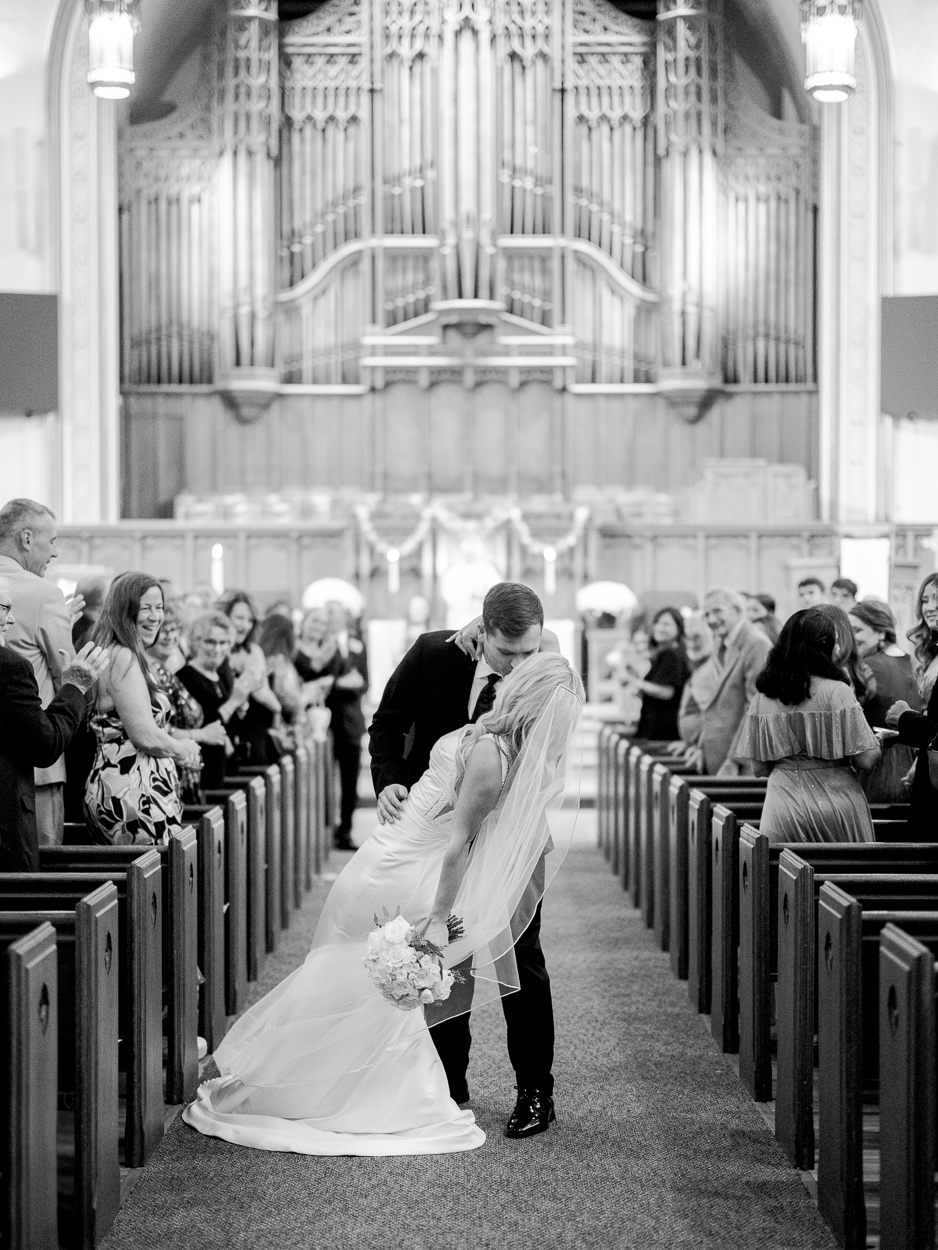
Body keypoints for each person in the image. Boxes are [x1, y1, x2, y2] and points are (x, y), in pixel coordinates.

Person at [183, 651, 583, 1156]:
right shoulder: (487, 735)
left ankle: (517, 1091)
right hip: (405, 860)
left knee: (382, 975)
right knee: (363, 969)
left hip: (419, 858)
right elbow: (452, 828)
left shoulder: (498, 739)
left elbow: (475, 830)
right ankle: (390, 1086)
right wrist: (439, 915)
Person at [369, 582, 561, 1137]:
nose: (521, 663)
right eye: (509, 653)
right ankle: (448, 1086)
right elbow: (387, 721)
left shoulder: (547, 672)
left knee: (521, 960)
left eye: (531, 650)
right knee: (442, 951)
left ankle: (535, 1093)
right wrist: (390, 782)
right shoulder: (435, 654)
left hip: (515, 836)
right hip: (438, 835)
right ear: (482, 632)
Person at [736, 609, 880, 843]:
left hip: (781, 806)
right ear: (825, 647)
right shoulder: (837, 692)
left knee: (779, 876)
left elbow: (759, 768)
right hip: (835, 803)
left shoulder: (763, 697)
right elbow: (867, 759)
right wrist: (879, 742)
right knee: (842, 876)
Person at [0, 578, 109, 870]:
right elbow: (45, 745)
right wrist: (74, 687)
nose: (10, 620)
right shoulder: (9, 667)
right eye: (5, 608)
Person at [85, 574, 201, 846]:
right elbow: (143, 734)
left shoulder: (124, 653)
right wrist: (184, 748)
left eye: (159, 607)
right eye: (145, 608)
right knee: (157, 882)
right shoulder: (122, 656)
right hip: (133, 791)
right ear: (124, 610)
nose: (155, 616)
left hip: (138, 786)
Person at [0, 497, 75, 846]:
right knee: (36, 872)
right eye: (53, 541)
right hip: (36, 765)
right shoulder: (45, 595)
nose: (55, 553)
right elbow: (69, 677)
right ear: (27, 539)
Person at [149, 608, 231, 804]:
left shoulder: (166, 673)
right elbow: (156, 730)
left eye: (175, 629)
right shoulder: (153, 674)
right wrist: (200, 735)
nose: (170, 636)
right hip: (166, 772)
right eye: (163, 630)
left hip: (192, 770)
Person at [848, 599, 921, 803]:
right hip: (914, 768)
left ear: (881, 632)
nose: (852, 639)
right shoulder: (916, 663)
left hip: (877, 768)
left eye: (858, 630)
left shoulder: (866, 667)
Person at [695, 588, 771, 775]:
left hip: (739, 764)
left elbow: (755, 707)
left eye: (717, 611)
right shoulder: (721, 640)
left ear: (737, 610)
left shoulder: (756, 643)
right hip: (716, 754)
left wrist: (734, 760)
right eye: (706, 614)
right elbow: (716, 702)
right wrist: (701, 746)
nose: (711, 620)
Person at [885, 573, 938, 840]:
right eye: (926, 600)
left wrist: (905, 718)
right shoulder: (933, 651)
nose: (929, 607)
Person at [177, 612, 254, 791]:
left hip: (224, 765)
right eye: (210, 642)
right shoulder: (186, 676)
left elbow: (227, 728)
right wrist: (232, 704)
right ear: (196, 642)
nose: (217, 649)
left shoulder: (220, 675)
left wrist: (241, 708)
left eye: (223, 643)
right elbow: (201, 724)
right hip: (200, 768)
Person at [323, 599, 369, 851]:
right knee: (322, 781)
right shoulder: (319, 645)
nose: (332, 618)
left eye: (336, 613)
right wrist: (341, 683)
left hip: (350, 721)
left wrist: (346, 683)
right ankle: (323, 829)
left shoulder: (357, 644)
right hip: (325, 722)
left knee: (349, 781)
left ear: (344, 617)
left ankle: (346, 830)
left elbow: (364, 682)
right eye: (328, 613)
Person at [217, 590, 282, 766]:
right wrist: (277, 707)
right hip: (228, 736)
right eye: (239, 618)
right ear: (224, 617)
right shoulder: (215, 654)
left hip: (256, 733)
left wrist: (277, 708)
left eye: (250, 620)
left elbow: (263, 693)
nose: (245, 625)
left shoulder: (253, 651)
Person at [620, 607, 689, 741]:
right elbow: (652, 696)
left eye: (666, 624)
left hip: (664, 731)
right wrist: (631, 685)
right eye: (657, 622)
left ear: (679, 628)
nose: (659, 627)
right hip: (654, 726)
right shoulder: (662, 655)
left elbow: (667, 692)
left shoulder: (672, 654)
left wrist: (634, 681)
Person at [257, 614, 304, 754]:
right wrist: (305, 696)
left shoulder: (260, 658)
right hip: (275, 733)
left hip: (261, 729)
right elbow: (290, 700)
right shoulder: (280, 662)